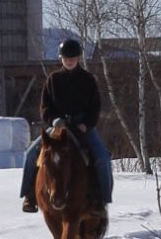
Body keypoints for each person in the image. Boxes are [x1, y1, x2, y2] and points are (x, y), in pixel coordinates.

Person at [20, 39, 113, 212]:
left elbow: (95, 107)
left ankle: (101, 200)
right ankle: (30, 196)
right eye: (65, 57)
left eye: (72, 57)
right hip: (58, 127)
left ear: (78, 58)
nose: (69, 60)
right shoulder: (53, 79)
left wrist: (86, 123)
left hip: (82, 127)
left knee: (102, 158)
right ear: (61, 58)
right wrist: (54, 120)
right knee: (31, 154)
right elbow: (45, 107)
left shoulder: (88, 79)